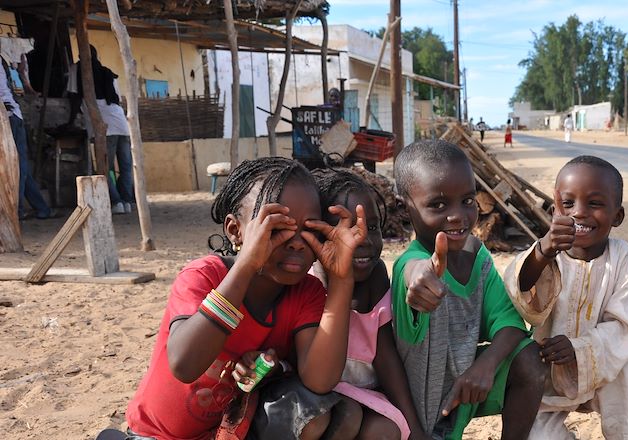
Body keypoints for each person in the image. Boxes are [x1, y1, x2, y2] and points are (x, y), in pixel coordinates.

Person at [123, 157, 367, 440]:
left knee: (331, 412)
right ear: (235, 231)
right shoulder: (204, 276)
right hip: (156, 435)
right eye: (277, 228)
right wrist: (246, 266)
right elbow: (184, 364)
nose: (297, 241)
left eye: (309, 228)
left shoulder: (306, 293)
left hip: (231, 432)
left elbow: (320, 380)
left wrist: (340, 280)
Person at [392, 139, 546, 439]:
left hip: (464, 393)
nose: (458, 216)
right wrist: (419, 280)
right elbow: (412, 274)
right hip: (414, 416)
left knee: (529, 359)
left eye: (467, 200)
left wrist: (485, 366)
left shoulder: (477, 255)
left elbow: (510, 323)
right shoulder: (410, 263)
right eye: (438, 204)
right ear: (404, 206)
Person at [504, 155, 628, 439]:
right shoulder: (545, 253)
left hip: (605, 369)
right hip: (547, 374)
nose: (579, 213)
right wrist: (543, 252)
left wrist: (580, 349)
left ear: (617, 216)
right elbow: (520, 290)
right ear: (555, 208)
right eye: (568, 204)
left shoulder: (623, 259)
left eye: (594, 204)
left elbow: (625, 327)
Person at [308, 168, 428, 440]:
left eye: (371, 228)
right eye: (348, 230)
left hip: (366, 392)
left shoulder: (375, 276)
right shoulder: (310, 280)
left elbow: (384, 356)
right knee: (347, 416)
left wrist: (416, 430)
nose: (363, 241)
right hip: (318, 394)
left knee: (386, 431)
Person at [66, 46, 135, 215]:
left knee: (105, 167)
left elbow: (74, 96)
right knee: (125, 166)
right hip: (120, 122)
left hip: (103, 125)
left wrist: (70, 121)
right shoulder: (108, 72)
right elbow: (117, 99)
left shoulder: (77, 69)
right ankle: (127, 202)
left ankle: (116, 201)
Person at [2, 56, 54, 220]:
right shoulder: (4, 62)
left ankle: (16, 211)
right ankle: (41, 208)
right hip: (11, 115)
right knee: (20, 165)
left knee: (17, 167)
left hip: (9, 116)